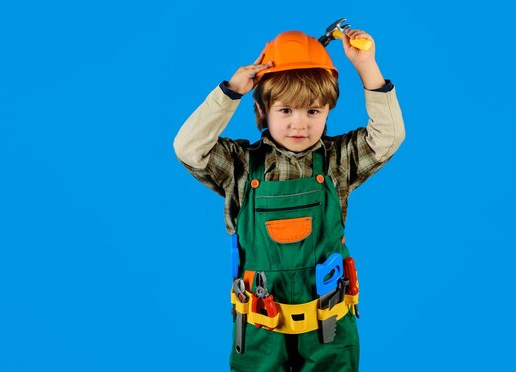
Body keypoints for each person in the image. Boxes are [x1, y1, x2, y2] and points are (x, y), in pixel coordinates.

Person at [173, 27, 405, 371]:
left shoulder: (337, 162)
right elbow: (188, 148)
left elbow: (389, 135)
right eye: (285, 111)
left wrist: (367, 66)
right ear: (262, 109)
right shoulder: (240, 166)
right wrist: (230, 93)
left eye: (313, 111)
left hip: (329, 328)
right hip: (260, 328)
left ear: (328, 110)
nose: (300, 124)